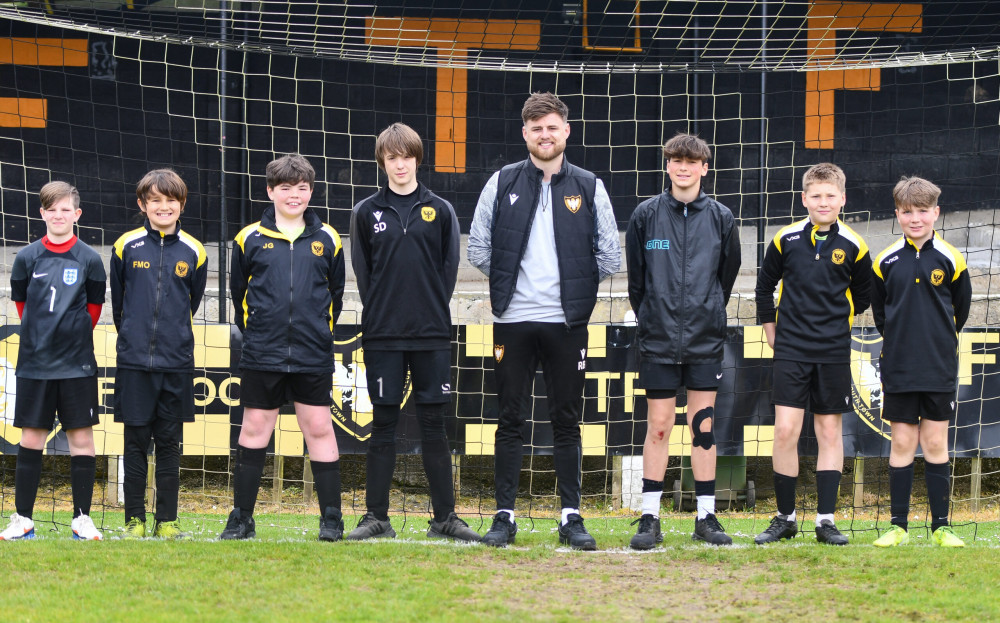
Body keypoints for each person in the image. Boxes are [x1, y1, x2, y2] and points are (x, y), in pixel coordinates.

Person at [468, 91, 621, 550]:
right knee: (509, 419)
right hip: (513, 321)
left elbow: (611, 255)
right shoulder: (501, 181)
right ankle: (504, 516)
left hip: (567, 323)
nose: (545, 135)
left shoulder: (589, 185)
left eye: (552, 127)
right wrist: (508, 284)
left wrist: (572, 287)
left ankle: (571, 517)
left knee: (567, 422)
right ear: (524, 134)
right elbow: (477, 248)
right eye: (536, 128)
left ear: (566, 131)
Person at [347, 123, 479, 542]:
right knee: (382, 426)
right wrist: (389, 312)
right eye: (392, 157)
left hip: (431, 335)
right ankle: (376, 518)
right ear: (382, 161)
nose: (400, 164)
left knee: (434, 427)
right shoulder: (366, 211)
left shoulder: (439, 210)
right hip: (383, 335)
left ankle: (445, 519)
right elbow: (366, 276)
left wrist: (424, 311)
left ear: (417, 160)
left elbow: (448, 271)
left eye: (407, 157)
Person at [221, 154, 346, 541]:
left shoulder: (328, 238)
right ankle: (242, 518)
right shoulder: (248, 238)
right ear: (270, 191)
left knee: (320, 429)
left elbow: (335, 297)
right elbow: (239, 296)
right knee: (255, 430)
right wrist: (260, 333)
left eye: (302, 188)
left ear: (311, 191)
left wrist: (315, 333)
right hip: (263, 353)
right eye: (286, 188)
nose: (295, 195)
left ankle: (331, 519)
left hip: (312, 354)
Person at [625, 133, 741, 549]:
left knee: (703, 428)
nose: (684, 167)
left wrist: (706, 310)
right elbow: (637, 282)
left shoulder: (722, 217)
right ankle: (649, 518)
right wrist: (656, 317)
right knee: (658, 427)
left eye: (692, 161)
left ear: (705, 168)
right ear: (668, 165)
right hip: (656, 339)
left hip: (705, 339)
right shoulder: (645, 215)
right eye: (677, 160)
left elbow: (725, 278)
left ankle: (706, 518)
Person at [754, 162, 872, 546]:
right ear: (804, 199)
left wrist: (839, 321)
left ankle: (825, 520)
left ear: (842, 199)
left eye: (830, 195)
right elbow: (763, 288)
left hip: (833, 351)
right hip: (791, 349)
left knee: (828, 431)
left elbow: (865, 294)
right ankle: (785, 517)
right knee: (786, 430)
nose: (823, 202)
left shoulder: (855, 245)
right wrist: (772, 330)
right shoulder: (785, 239)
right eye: (816, 196)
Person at [1, 181, 106, 541]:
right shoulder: (27, 257)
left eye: (66, 209)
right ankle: (23, 520)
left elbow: (92, 311)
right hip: (34, 363)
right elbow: (22, 308)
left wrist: (68, 337)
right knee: (31, 438)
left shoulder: (90, 259)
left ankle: (82, 519)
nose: (59, 215)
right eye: (52, 209)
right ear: (42, 213)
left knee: (82, 440)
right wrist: (44, 336)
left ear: (77, 214)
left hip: (76, 365)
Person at [871, 177, 971, 548]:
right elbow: (881, 314)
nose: (916, 218)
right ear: (897, 214)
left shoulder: (951, 259)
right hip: (898, 367)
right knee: (901, 443)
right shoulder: (885, 261)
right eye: (907, 212)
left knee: (934, 443)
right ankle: (898, 526)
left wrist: (936, 341)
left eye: (923, 211)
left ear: (936, 213)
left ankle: (942, 527)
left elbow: (958, 312)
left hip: (938, 367)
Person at [110, 169, 207, 539]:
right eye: (155, 200)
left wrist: (170, 338)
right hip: (134, 364)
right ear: (142, 205)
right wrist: (135, 341)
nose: (163, 206)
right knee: (135, 444)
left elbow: (191, 303)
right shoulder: (125, 246)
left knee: (169, 445)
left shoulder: (195, 251)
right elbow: (120, 307)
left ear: (181, 205)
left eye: (171, 200)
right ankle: (134, 520)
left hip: (176, 365)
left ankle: (167, 521)